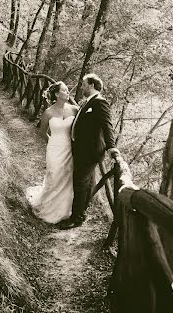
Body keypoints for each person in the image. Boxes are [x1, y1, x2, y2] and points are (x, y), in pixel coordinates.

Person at [58, 73, 121, 229]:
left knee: (80, 183)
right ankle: (81, 214)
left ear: (91, 85)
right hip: (82, 149)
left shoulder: (100, 103)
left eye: (84, 84)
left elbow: (107, 126)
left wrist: (111, 146)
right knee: (83, 184)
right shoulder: (89, 102)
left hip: (90, 151)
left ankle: (76, 218)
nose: (82, 87)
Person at [26, 81, 79, 224]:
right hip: (54, 148)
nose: (68, 93)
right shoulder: (48, 112)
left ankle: (65, 209)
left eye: (68, 90)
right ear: (57, 94)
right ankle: (49, 206)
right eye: (65, 91)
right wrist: (52, 143)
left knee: (66, 175)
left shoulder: (74, 109)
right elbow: (42, 131)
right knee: (54, 174)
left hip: (69, 148)